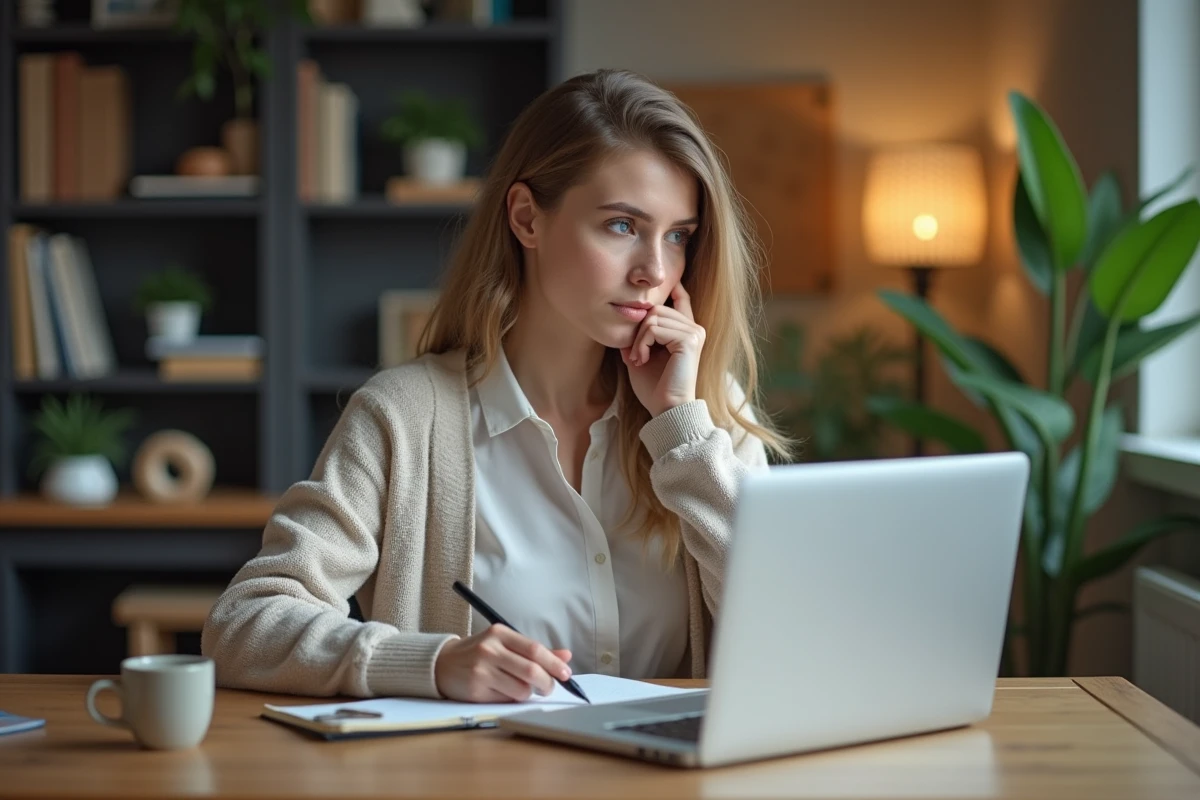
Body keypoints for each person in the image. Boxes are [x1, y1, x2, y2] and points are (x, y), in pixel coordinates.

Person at [202, 68, 792, 703]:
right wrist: (432, 663)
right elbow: (245, 623)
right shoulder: (405, 417)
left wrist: (680, 425)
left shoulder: (706, 411)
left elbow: (792, 632)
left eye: (678, 237)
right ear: (526, 219)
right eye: (622, 226)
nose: (654, 269)